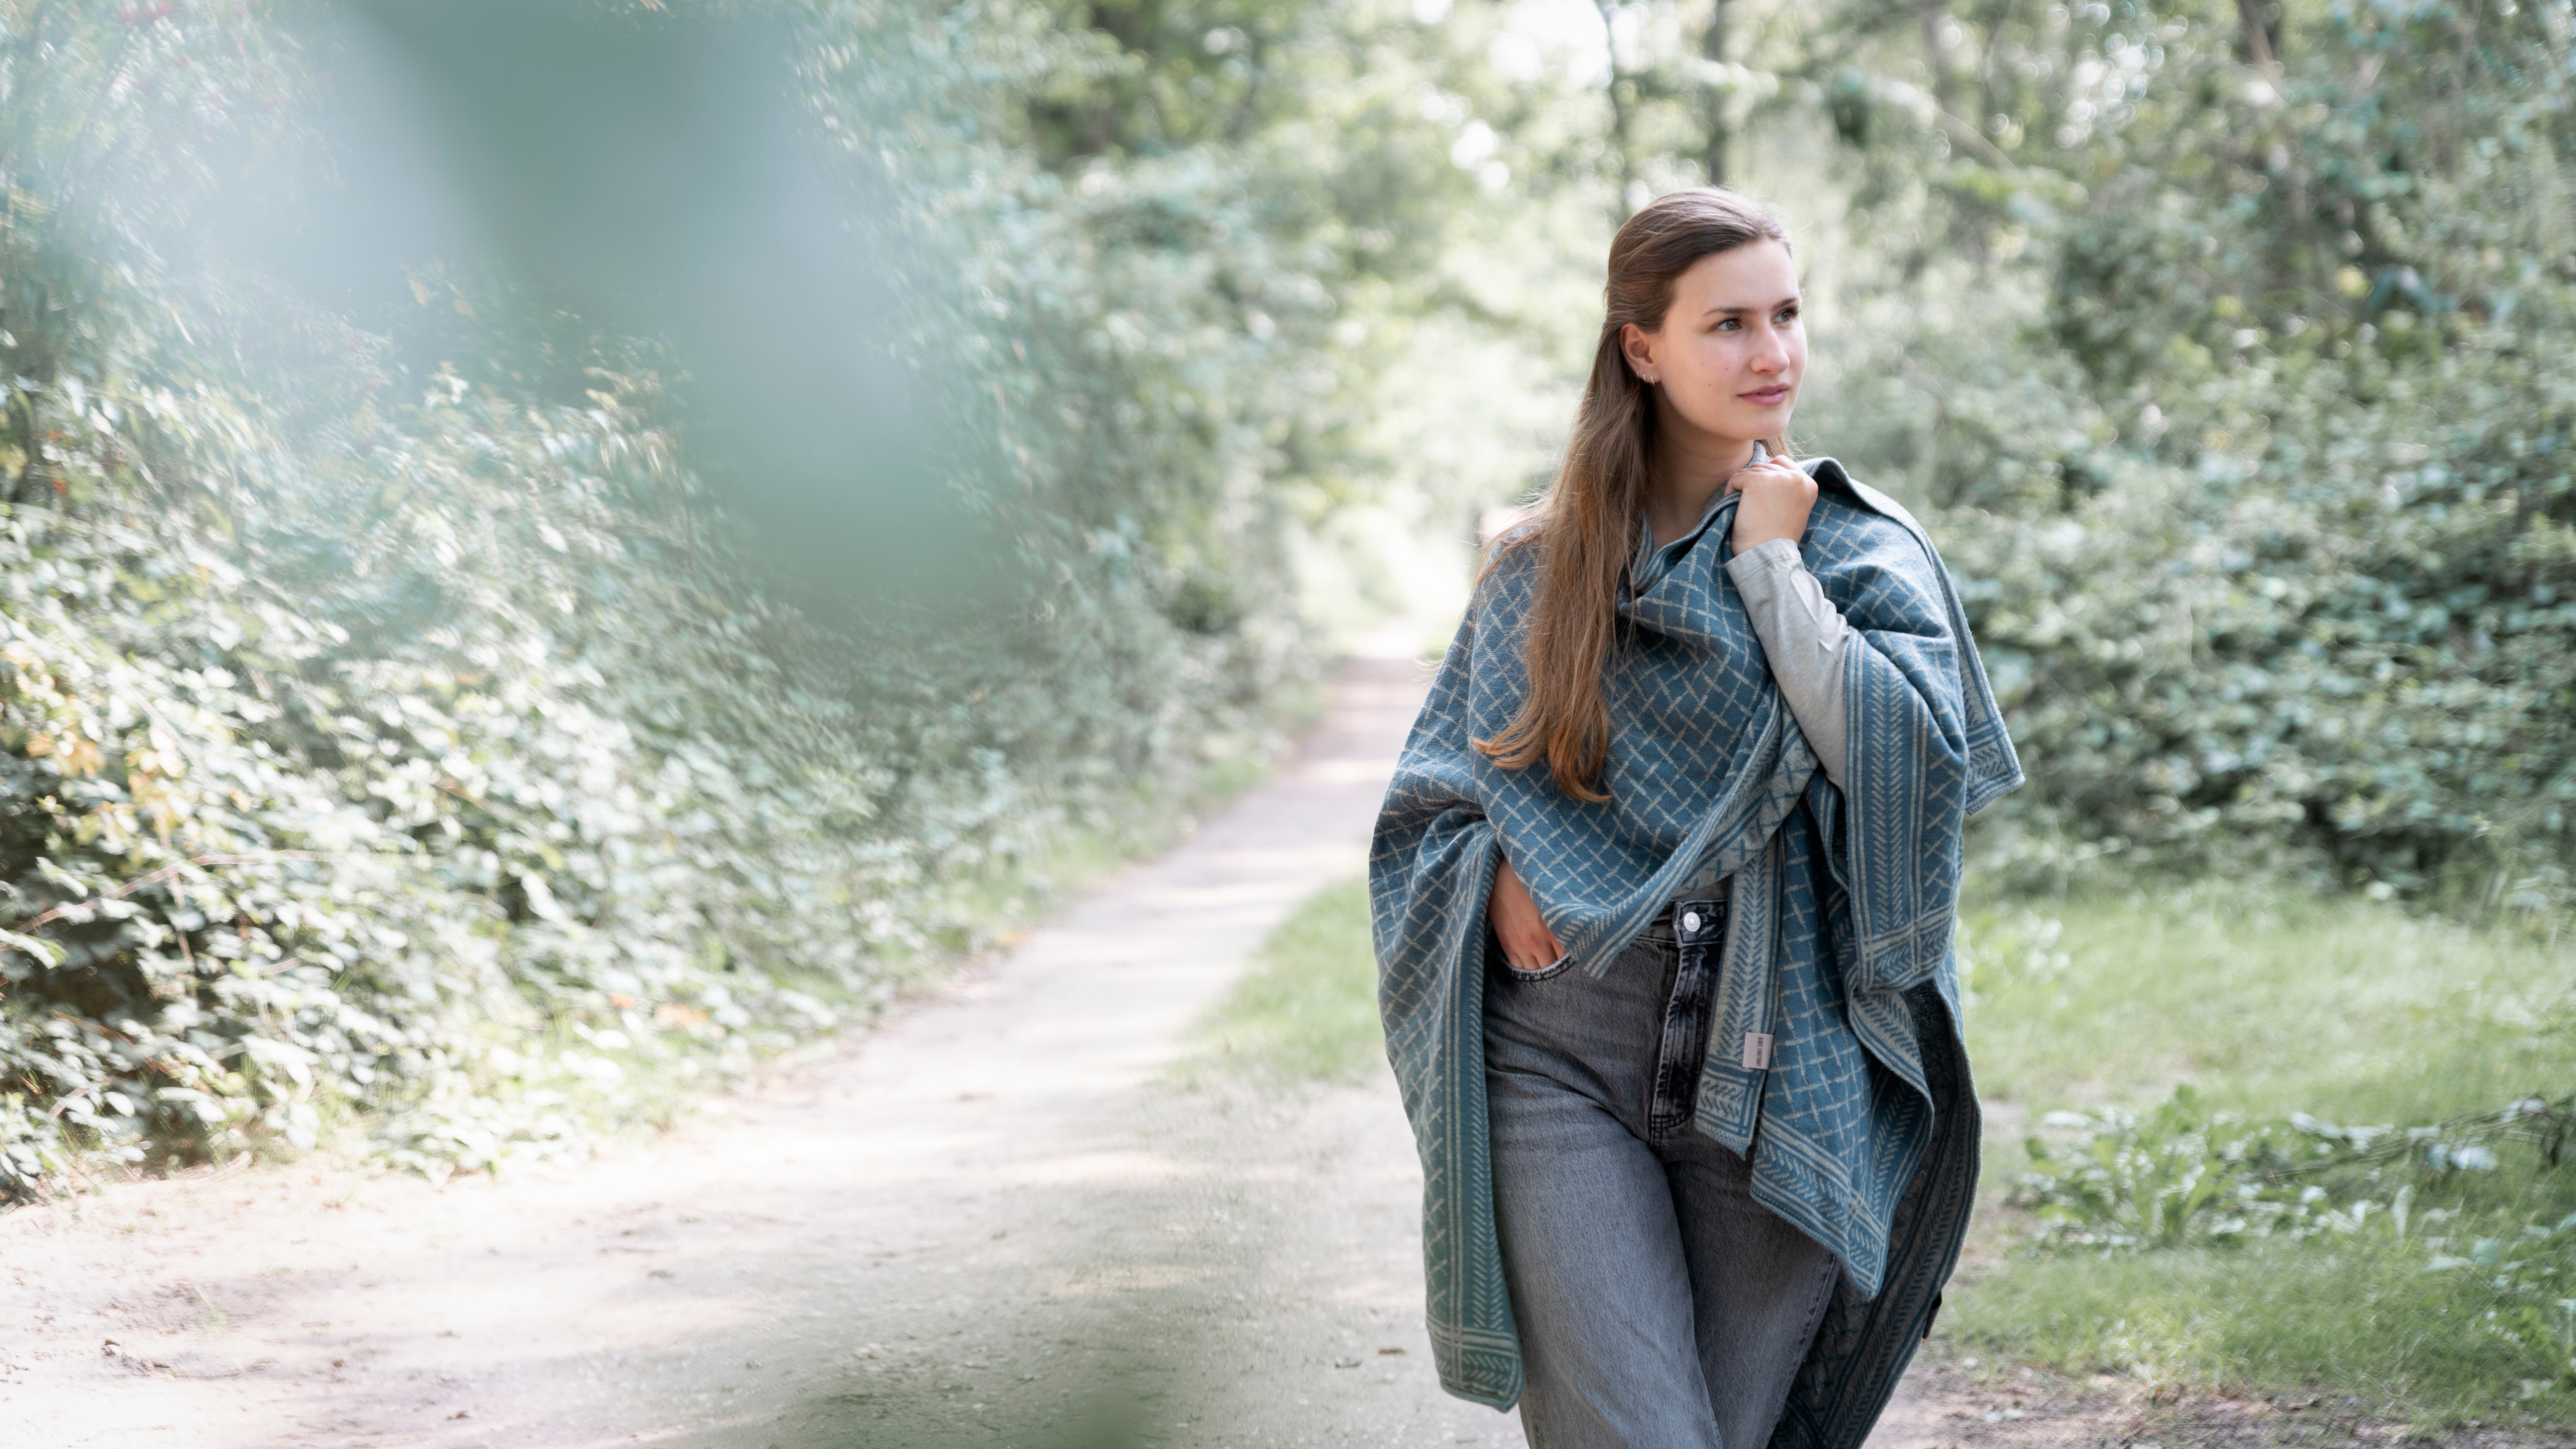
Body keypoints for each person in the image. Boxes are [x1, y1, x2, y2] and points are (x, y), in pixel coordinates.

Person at [1369, 187, 2022, 1449]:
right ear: (1642, 347)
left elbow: (1906, 771)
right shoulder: (1543, 566)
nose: (1773, 352)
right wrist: (1487, 866)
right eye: (1729, 323)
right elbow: (1437, 793)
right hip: (1558, 1051)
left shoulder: (1857, 550)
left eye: (1787, 314)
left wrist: (1772, 568)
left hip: (1779, 1062)